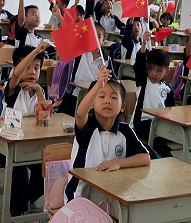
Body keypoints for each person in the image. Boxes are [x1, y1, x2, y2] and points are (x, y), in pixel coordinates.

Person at [64, 67, 150, 202]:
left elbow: (145, 158)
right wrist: (98, 84)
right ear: (92, 103)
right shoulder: (88, 127)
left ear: (122, 107)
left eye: (114, 97)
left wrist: (118, 163)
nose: (108, 101)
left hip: (112, 193)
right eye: (101, 96)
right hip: (80, 195)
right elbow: (80, 114)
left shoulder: (125, 131)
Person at [0, 42, 51, 215]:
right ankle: (16, 213)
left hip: (31, 145)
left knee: (47, 171)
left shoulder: (39, 91)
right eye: (27, 67)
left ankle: (28, 200)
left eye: (36, 68)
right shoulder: (13, 89)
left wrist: (39, 91)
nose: (32, 72)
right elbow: (16, 74)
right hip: (9, 145)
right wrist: (36, 51)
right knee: (19, 175)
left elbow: (45, 119)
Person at [132, 32, 177, 159]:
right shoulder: (143, 81)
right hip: (142, 124)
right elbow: (139, 64)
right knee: (159, 143)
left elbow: (172, 111)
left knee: (187, 137)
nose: (154, 74)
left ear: (166, 71)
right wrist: (144, 44)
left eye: (159, 70)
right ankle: (169, 161)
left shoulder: (168, 90)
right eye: (151, 69)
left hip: (161, 125)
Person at [58, 23, 115, 116]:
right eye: (92, 35)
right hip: (77, 95)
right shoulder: (80, 54)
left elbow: (112, 79)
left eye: (98, 36)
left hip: (96, 98)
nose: (94, 38)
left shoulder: (106, 60)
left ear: (103, 41)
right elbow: (68, 39)